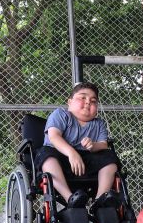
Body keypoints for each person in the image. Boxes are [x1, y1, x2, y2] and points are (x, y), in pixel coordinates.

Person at [35, 82, 122, 211]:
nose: (88, 102)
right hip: (61, 160)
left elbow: (103, 144)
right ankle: (70, 198)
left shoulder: (98, 124)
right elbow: (54, 137)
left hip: (86, 164)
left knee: (109, 156)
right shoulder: (61, 114)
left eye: (93, 101)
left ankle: (99, 200)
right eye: (83, 97)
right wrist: (72, 153)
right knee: (46, 155)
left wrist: (93, 146)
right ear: (69, 102)